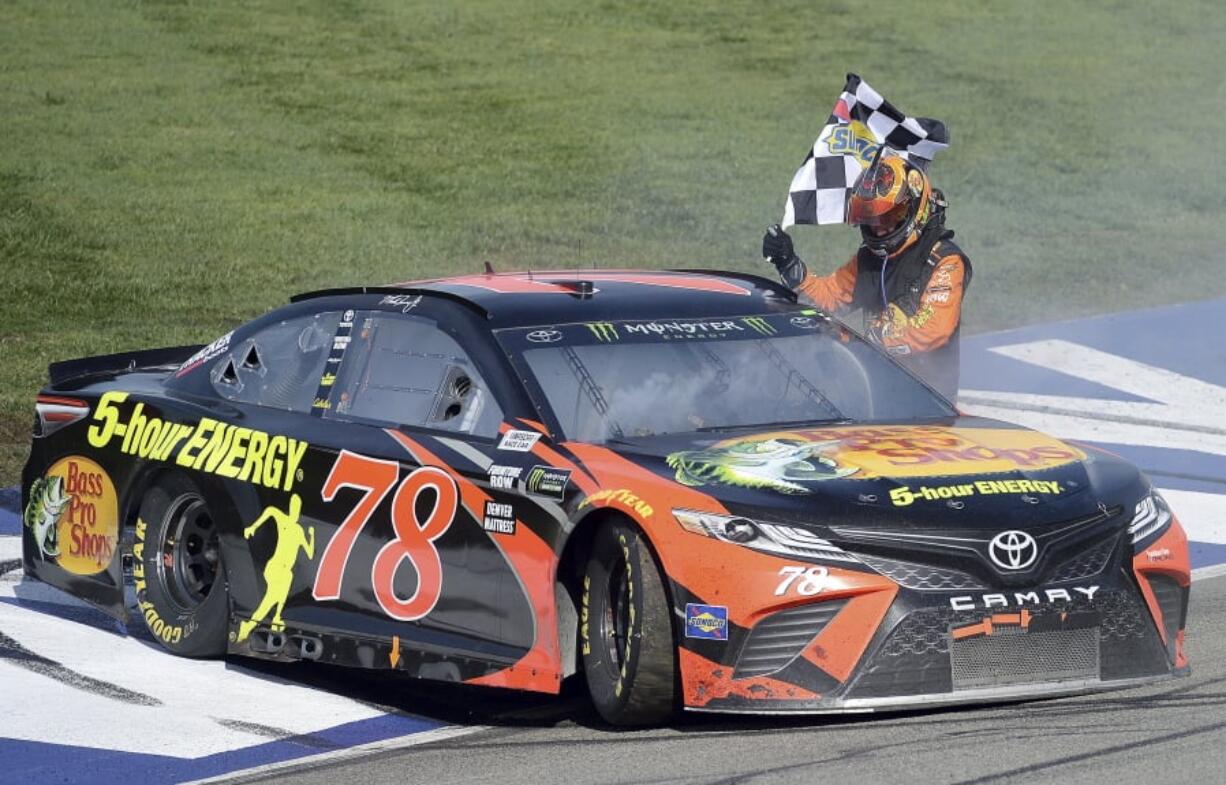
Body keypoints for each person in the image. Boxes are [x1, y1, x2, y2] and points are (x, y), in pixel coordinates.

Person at [762, 152, 972, 400]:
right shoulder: (870, 259)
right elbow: (828, 298)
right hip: (873, 396)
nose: (879, 228)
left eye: (889, 217)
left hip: (928, 405)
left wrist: (864, 343)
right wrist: (788, 264)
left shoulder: (945, 261)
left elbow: (933, 331)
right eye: (871, 220)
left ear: (916, 208)